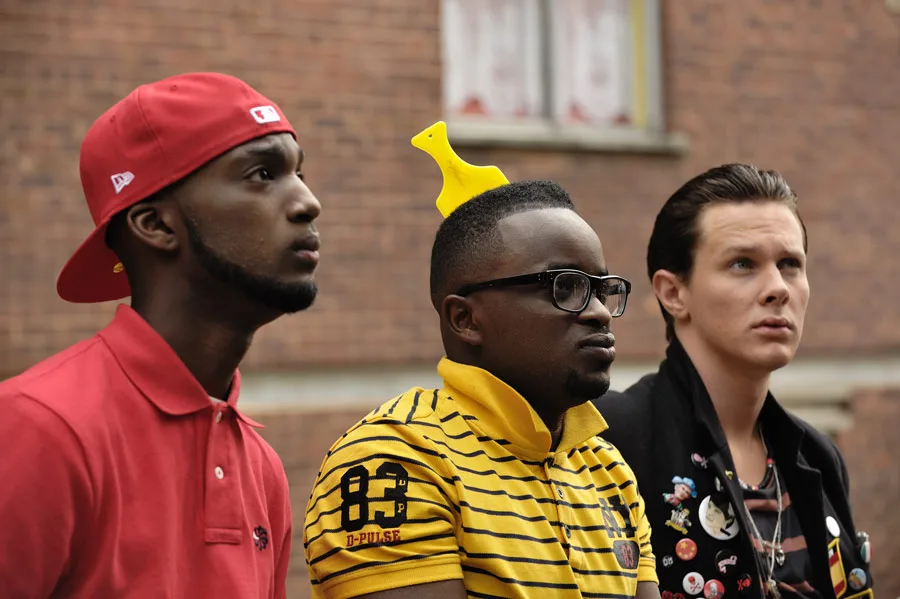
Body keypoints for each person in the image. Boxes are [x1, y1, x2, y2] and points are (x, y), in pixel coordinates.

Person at [0, 72, 321, 598]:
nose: (308, 202)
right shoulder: (40, 429)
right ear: (156, 225)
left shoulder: (262, 468)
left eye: (299, 172)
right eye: (262, 174)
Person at [304, 179, 660, 599]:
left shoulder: (609, 470)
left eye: (602, 290)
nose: (600, 313)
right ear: (465, 319)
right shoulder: (394, 460)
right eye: (565, 287)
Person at [594, 164, 873, 599]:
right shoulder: (611, 437)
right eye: (743, 264)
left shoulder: (818, 456)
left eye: (790, 264)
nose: (778, 288)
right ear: (673, 293)